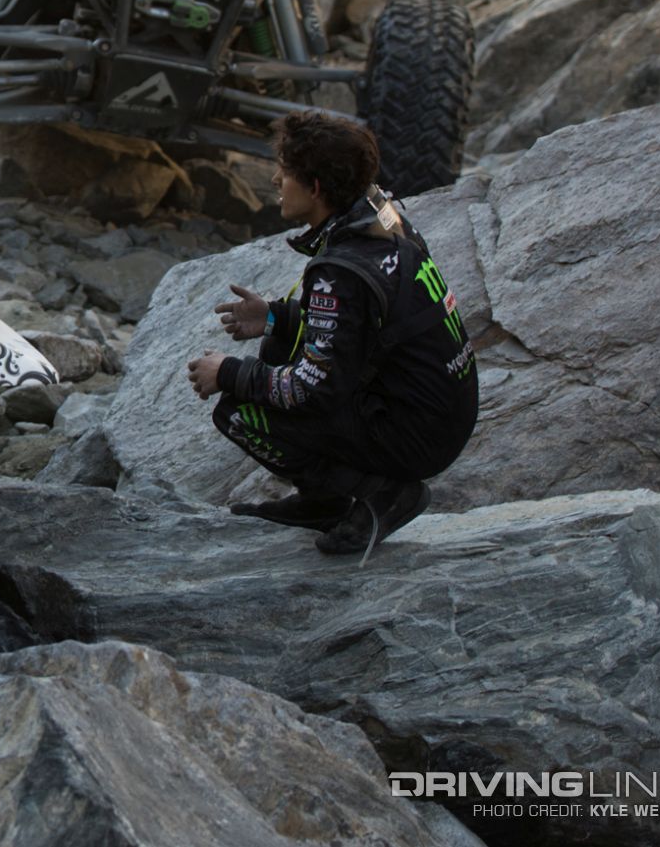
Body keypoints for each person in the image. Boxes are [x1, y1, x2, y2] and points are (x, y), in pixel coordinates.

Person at [186, 111, 479, 561]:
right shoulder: (383, 220)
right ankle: (323, 502)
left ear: (315, 188)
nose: (275, 179)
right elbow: (357, 326)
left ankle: (384, 493)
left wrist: (227, 372)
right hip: (439, 413)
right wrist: (274, 318)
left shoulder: (340, 271)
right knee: (281, 345)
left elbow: (310, 389)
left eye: (284, 172)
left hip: (414, 433)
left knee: (240, 412)